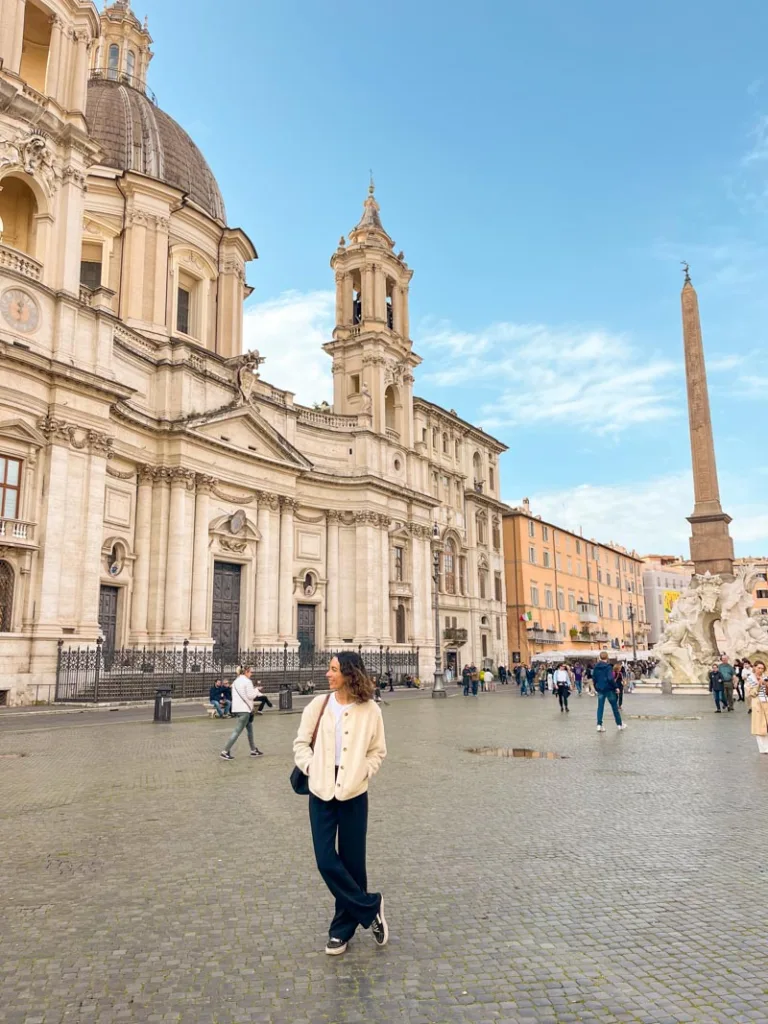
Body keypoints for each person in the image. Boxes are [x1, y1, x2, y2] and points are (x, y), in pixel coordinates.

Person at [293, 652, 388, 956]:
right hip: (320, 787)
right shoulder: (317, 705)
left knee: (353, 863)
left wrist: (364, 771)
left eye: (333, 669)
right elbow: (300, 744)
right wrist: (311, 767)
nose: (327, 674)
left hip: (353, 790)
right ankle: (370, 907)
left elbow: (378, 751)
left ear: (348, 674)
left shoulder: (370, 710)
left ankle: (341, 931)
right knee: (325, 859)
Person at [220, 666, 264, 759]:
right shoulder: (247, 682)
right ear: (246, 672)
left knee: (250, 730)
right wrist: (257, 690)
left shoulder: (236, 681)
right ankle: (225, 751)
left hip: (237, 709)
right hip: (245, 710)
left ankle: (253, 750)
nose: (252, 674)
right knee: (237, 731)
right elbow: (250, 696)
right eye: (251, 672)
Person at [593, 652, 625, 732]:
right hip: (609, 689)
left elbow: (594, 678)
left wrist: (596, 687)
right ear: (607, 657)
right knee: (614, 707)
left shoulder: (596, 667)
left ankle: (599, 725)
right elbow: (610, 678)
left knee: (600, 707)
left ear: (600, 657)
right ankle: (619, 724)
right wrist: (616, 687)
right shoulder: (608, 667)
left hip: (600, 688)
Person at [747, 661, 768, 754]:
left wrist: (765, 684)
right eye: (759, 668)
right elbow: (751, 693)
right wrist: (759, 685)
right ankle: (762, 748)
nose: (760, 670)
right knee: (759, 727)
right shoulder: (750, 679)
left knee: (766, 725)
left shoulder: (765, 677)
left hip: (766, 702)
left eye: (762, 668)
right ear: (754, 667)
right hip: (757, 704)